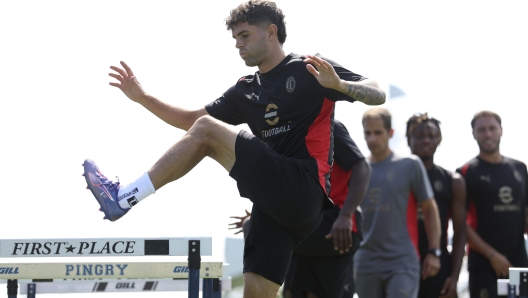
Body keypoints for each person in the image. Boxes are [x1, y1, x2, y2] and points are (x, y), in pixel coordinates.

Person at [81, 1, 386, 297]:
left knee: (207, 130)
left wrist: (341, 86)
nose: (238, 45)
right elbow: (190, 120)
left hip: (304, 187)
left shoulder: (309, 67)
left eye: (244, 36)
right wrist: (142, 97)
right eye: (235, 39)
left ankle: (124, 197)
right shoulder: (246, 89)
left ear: (270, 32)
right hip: (276, 210)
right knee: (256, 293)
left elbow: (377, 92)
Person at [230, 119, 371, 298]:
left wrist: (346, 215)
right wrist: (265, 215)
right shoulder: (283, 133)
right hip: (307, 224)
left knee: (253, 227)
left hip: (335, 225)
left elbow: (363, 167)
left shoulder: (327, 126)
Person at [354, 107, 441, 298]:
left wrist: (434, 251)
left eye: (378, 133)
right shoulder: (357, 169)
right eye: (367, 133)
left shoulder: (410, 165)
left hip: (402, 261)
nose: (372, 139)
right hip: (365, 261)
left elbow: (429, 209)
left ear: (390, 133)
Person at [456, 110, 528, 298]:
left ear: (501, 130)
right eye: (482, 130)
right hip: (483, 265)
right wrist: (492, 256)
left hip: (517, 263)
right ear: (473, 134)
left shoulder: (520, 168)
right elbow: (460, 223)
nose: (488, 134)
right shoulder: (465, 172)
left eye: (492, 128)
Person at [406, 113, 467, 298]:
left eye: (431, 136)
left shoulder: (453, 181)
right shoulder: (396, 177)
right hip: (401, 262)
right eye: (419, 136)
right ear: (408, 140)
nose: (426, 140)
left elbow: (460, 232)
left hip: (438, 264)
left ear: (439, 140)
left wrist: (454, 278)